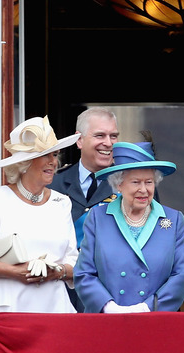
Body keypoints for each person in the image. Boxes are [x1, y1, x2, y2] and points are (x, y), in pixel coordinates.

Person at [0, 116, 80, 313]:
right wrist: (15, 272)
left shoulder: (62, 202)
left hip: (54, 308)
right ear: (25, 163)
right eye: (46, 155)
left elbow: (74, 262)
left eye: (55, 155)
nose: (54, 162)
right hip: (7, 308)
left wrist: (56, 272)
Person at [74, 141, 184, 313]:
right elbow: (84, 273)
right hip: (106, 321)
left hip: (156, 320)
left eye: (149, 182)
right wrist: (108, 307)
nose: (143, 190)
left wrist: (147, 307)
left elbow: (182, 274)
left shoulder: (174, 220)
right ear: (119, 185)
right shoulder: (97, 218)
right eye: (136, 182)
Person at [47, 107, 119, 312]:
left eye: (113, 136)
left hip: (111, 294)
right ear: (79, 140)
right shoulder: (54, 183)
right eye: (100, 135)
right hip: (61, 292)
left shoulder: (132, 185)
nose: (108, 142)